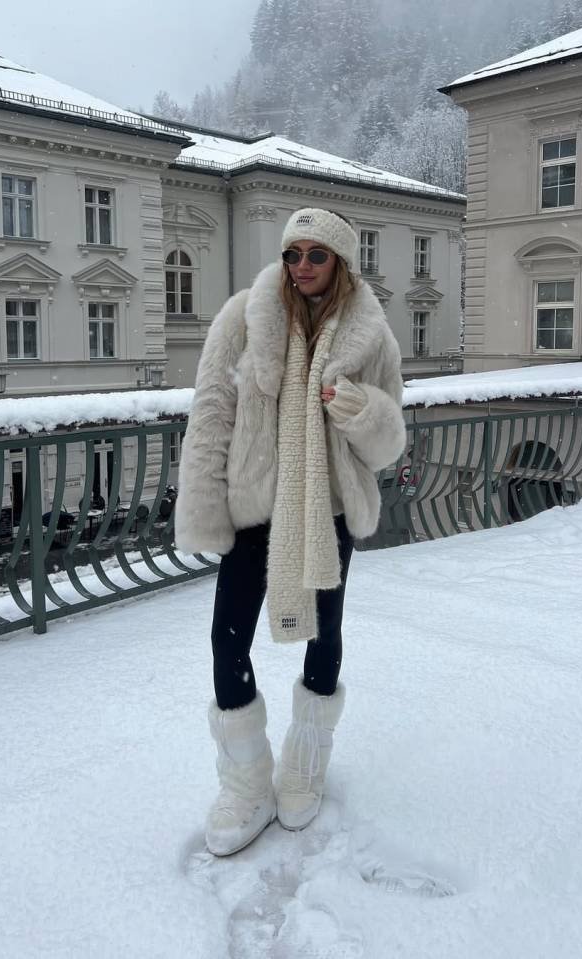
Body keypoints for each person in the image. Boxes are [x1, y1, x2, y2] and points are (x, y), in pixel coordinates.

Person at [175, 208, 406, 856]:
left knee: (325, 635)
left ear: (339, 262)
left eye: (317, 254)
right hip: (254, 509)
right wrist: (203, 508)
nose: (302, 265)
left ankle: (305, 760)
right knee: (227, 640)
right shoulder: (244, 318)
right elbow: (212, 414)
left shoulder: (371, 337)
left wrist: (362, 412)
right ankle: (246, 779)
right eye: (293, 252)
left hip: (327, 510)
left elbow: (388, 443)